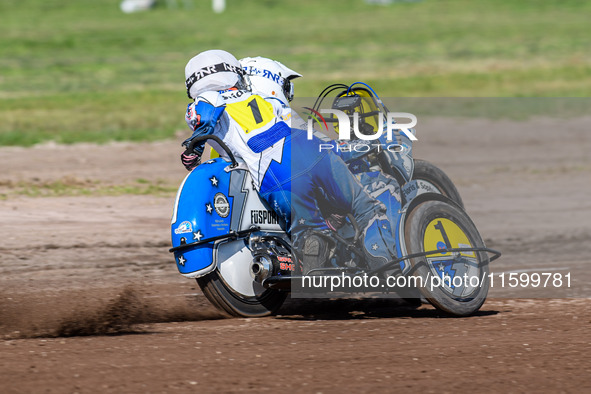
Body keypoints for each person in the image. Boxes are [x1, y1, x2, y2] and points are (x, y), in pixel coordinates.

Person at [181, 49, 400, 275]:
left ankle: (316, 273)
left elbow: (206, 114)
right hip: (308, 149)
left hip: (275, 172)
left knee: (308, 232)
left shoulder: (201, 102)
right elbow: (301, 129)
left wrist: (194, 149)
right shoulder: (258, 99)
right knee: (366, 206)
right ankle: (385, 265)